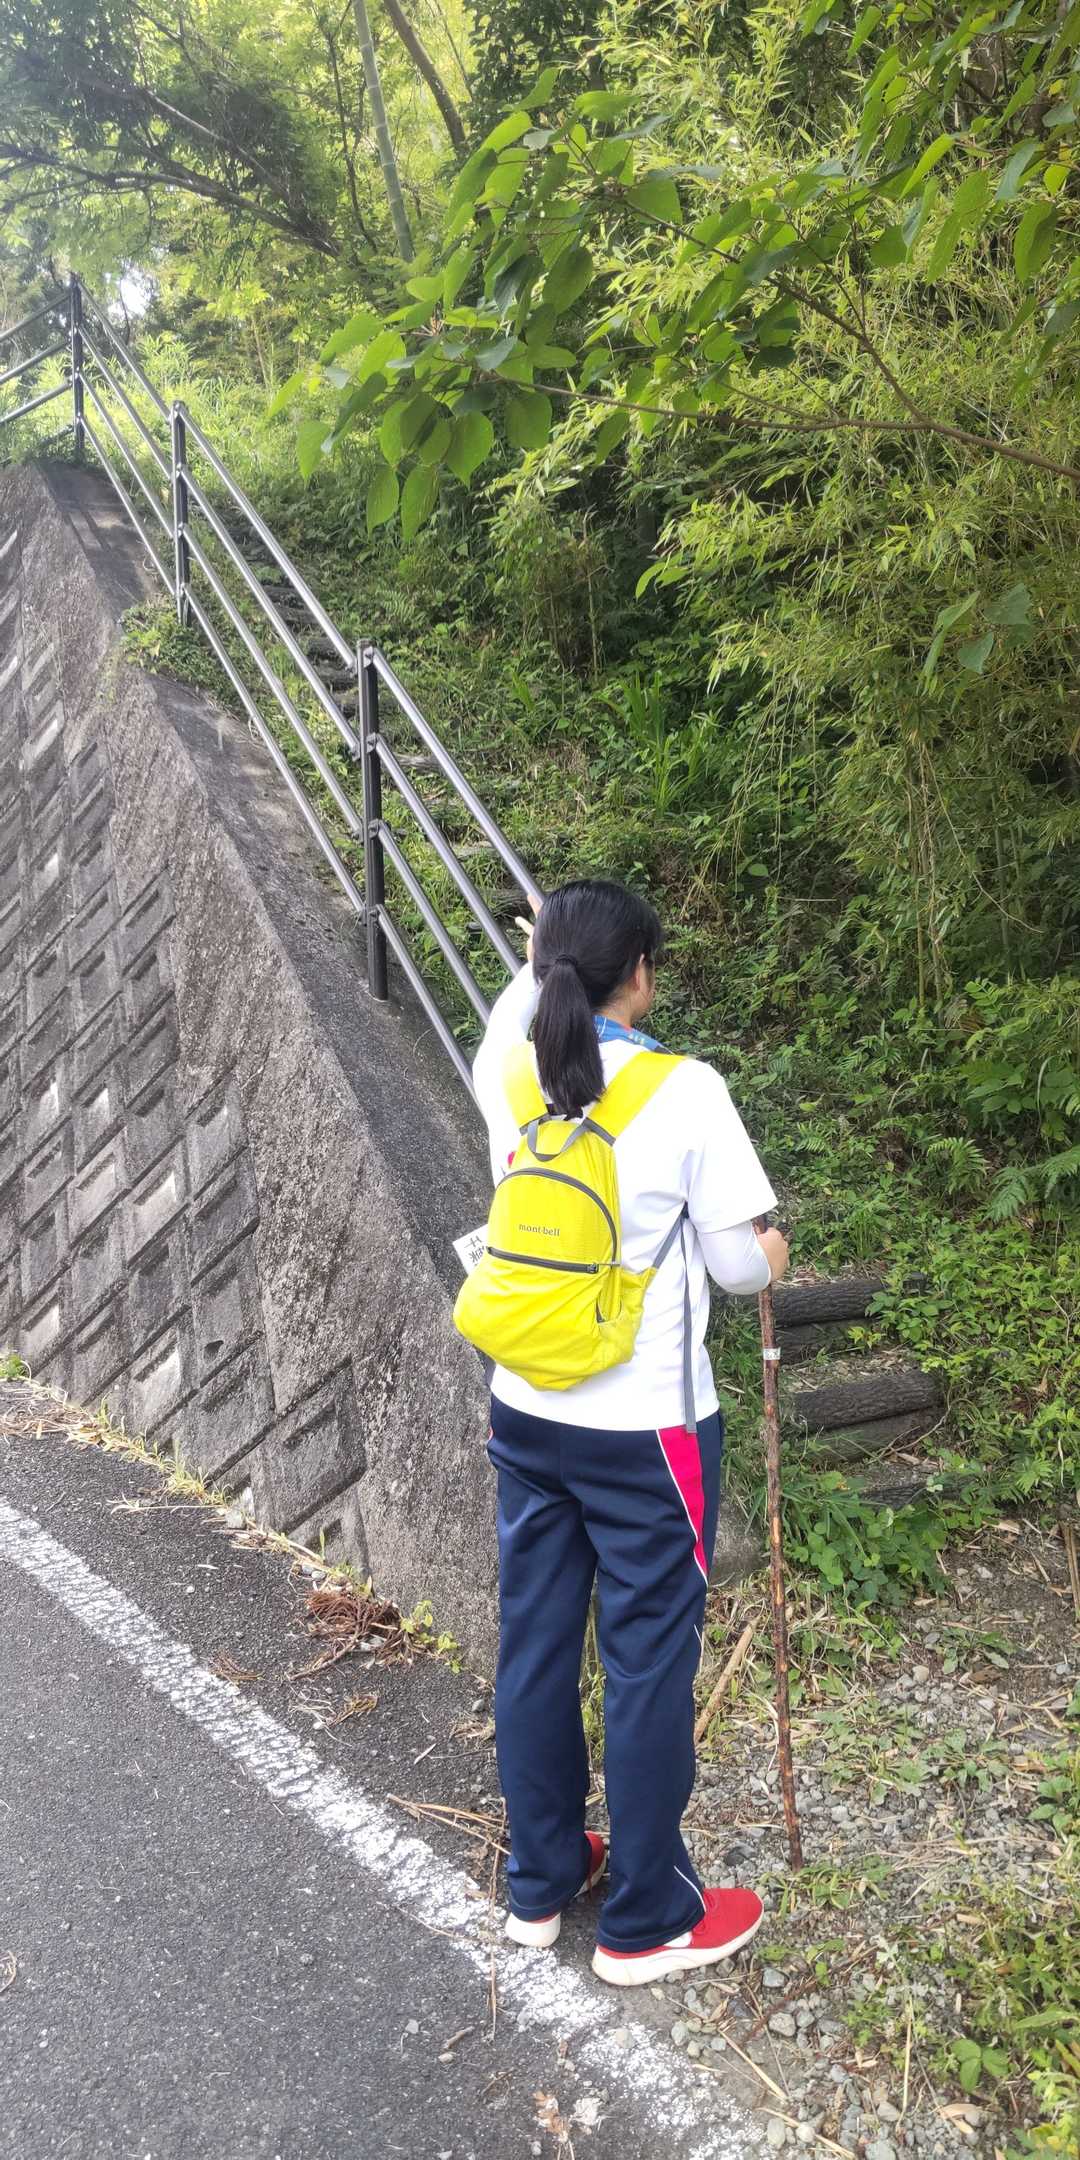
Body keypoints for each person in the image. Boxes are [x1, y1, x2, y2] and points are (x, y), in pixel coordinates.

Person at [471, 877, 789, 1987]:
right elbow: (740, 1266)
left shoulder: (509, 1070)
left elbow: (518, 1012)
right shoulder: (685, 1090)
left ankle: (540, 1881)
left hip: (524, 1406)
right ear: (640, 974)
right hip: (648, 1427)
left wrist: (537, 959)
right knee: (648, 1658)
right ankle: (646, 1919)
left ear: (543, 966)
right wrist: (772, 1253)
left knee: (536, 1641)